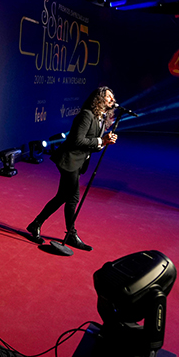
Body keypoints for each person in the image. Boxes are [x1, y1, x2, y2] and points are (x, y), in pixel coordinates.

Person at [24, 87, 118, 252]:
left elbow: (93, 146)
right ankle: (71, 234)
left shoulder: (101, 119)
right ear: (99, 99)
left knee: (62, 196)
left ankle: (36, 224)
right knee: (72, 197)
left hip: (79, 162)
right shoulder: (86, 115)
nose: (112, 99)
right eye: (108, 97)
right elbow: (77, 141)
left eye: (112, 97)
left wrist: (104, 142)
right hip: (69, 159)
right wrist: (100, 140)